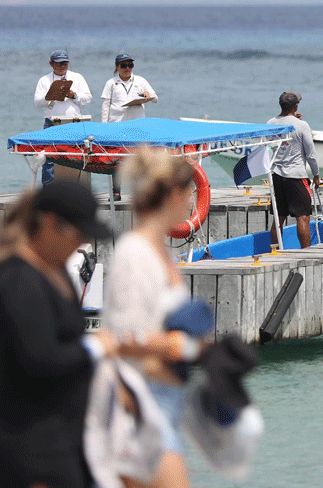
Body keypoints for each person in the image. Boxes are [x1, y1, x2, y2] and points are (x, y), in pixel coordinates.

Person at [0, 181, 116, 488]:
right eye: (79, 234)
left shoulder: (52, 270)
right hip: (26, 447)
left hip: (61, 441)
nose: (81, 243)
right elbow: (38, 359)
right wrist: (95, 348)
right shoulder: (17, 278)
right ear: (50, 224)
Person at [104, 149, 202, 488]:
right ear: (174, 194)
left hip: (166, 401)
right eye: (191, 191)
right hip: (143, 403)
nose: (193, 199)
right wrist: (185, 347)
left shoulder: (157, 250)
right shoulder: (135, 253)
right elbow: (125, 337)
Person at [101, 53, 159, 200]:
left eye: (130, 65)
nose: (127, 68)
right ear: (117, 67)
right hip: (117, 125)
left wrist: (148, 95)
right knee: (116, 159)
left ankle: (143, 191)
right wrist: (103, 126)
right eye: (124, 65)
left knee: (141, 158)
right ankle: (116, 192)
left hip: (138, 124)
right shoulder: (111, 83)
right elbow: (105, 105)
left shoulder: (140, 80)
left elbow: (155, 99)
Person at [267, 91, 320, 248]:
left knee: (279, 218)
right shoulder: (302, 125)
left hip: (276, 175)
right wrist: (316, 174)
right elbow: (311, 154)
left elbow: (269, 147)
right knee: (302, 217)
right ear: (295, 106)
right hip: (296, 176)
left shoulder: (270, 123)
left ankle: (275, 251)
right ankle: (306, 252)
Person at [33, 50, 93, 185]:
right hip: (52, 123)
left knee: (75, 156)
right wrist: (52, 95)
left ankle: (75, 190)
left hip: (74, 123)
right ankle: (48, 192)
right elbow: (37, 103)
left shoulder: (77, 77)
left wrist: (74, 95)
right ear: (51, 64)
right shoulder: (44, 80)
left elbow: (88, 97)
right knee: (49, 157)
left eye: (65, 63)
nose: (62, 66)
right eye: (59, 63)